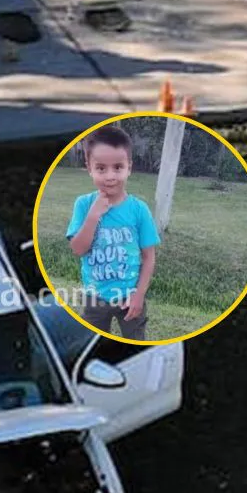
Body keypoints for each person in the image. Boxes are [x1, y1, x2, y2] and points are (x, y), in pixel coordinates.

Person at [65, 125, 159, 340]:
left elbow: (149, 256)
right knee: (92, 345)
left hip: (130, 295)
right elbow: (78, 250)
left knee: (134, 345)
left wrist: (139, 295)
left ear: (129, 168)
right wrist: (93, 215)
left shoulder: (139, 209)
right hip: (95, 297)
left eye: (118, 167)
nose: (110, 176)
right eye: (101, 168)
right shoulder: (83, 204)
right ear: (89, 168)